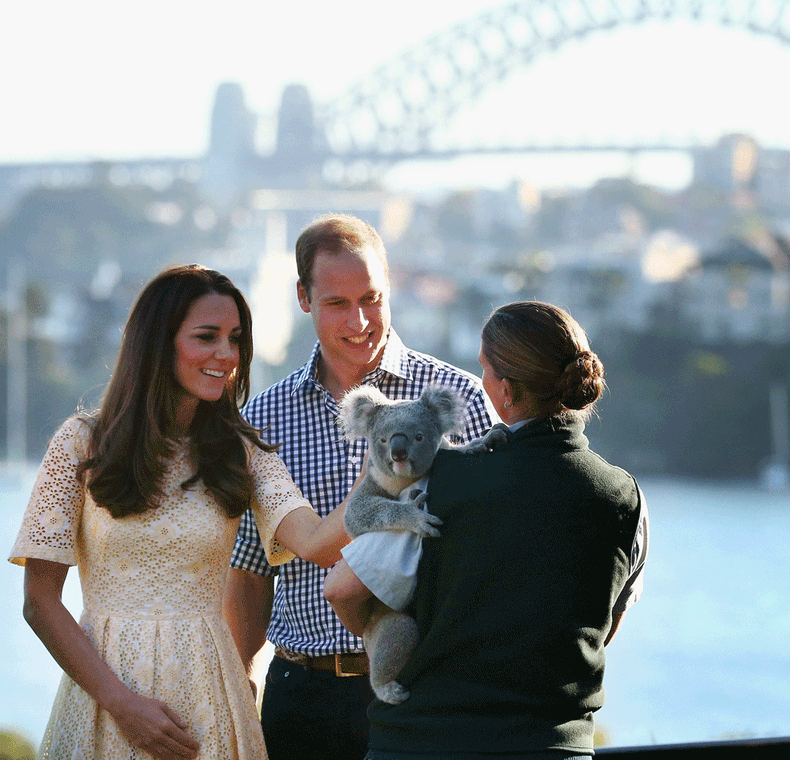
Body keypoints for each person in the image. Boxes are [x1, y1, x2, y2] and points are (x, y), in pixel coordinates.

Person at [9, 265, 424, 760]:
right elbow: (40, 601)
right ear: (158, 342)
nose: (226, 355)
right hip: (106, 697)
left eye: (234, 339)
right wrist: (121, 703)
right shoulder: (80, 444)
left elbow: (316, 543)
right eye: (206, 337)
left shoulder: (242, 451)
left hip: (211, 698)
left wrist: (381, 463)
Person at [324, 300, 649, 760]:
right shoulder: (625, 499)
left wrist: (394, 647)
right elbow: (606, 624)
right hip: (551, 747)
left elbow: (341, 590)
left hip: (426, 744)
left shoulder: (444, 481)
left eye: (484, 370)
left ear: (508, 392)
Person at [224, 214, 492, 760]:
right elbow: (251, 570)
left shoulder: (456, 401)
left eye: (371, 297)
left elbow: (498, 546)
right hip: (304, 696)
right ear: (303, 297)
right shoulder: (263, 420)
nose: (360, 320)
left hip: (426, 687)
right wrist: (241, 687)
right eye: (337, 303)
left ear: (389, 286)